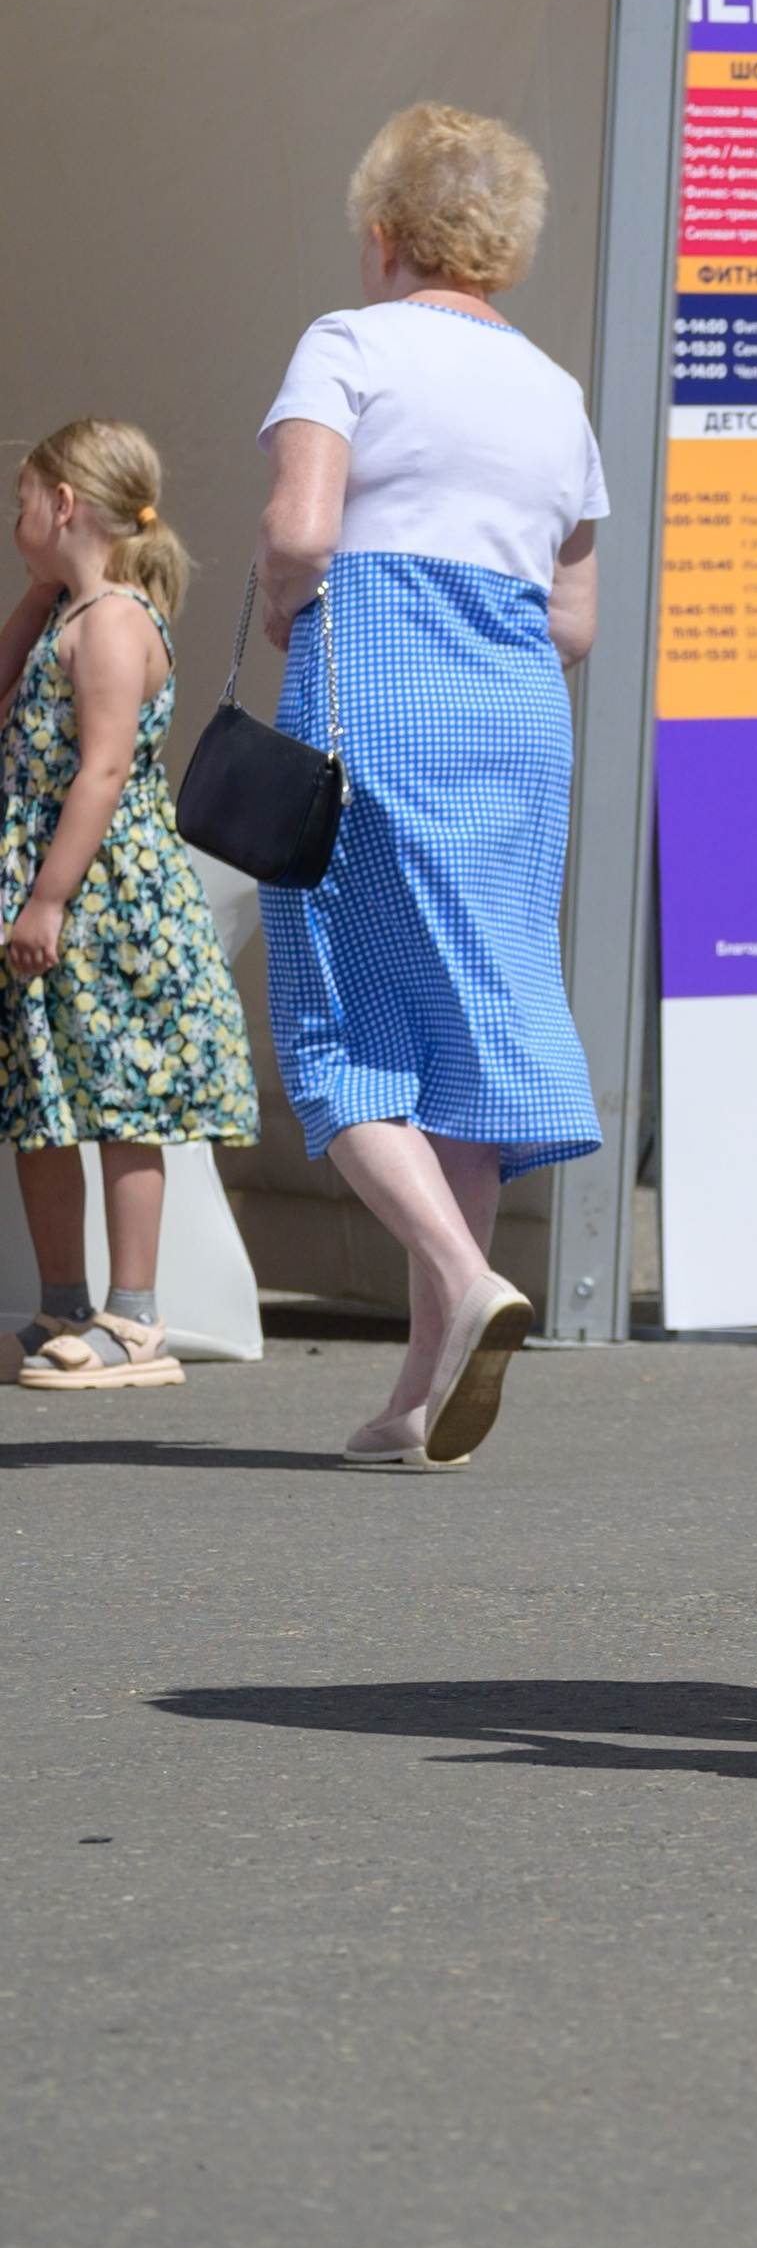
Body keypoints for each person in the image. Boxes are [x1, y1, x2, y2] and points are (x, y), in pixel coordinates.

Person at [255, 104, 606, 1472]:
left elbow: (298, 527)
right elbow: (573, 619)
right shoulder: (553, 387)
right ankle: (418, 1394)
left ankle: (462, 1283)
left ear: (384, 232)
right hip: (516, 710)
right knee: (460, 1022)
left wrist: (291, 601)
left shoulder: (348, 343)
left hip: (377, 688)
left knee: (337, 1020)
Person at [0, 422, 256, 1386]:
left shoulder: (114, 621)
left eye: (23, 502)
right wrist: (38, 589)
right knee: (43, 1102)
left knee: (119, 1099)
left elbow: (103, 770)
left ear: (63, 505)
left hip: (103, 898)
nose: (14, 519)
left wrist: (49, 899)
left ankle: (134, 1319)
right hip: (52, 889)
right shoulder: (69, 612)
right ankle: (61, 1308)